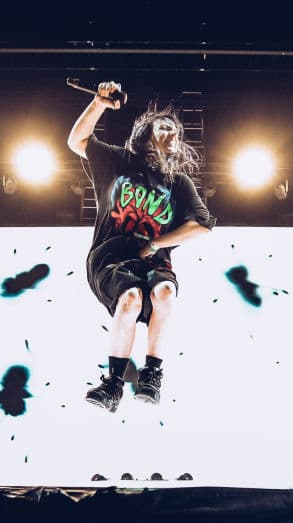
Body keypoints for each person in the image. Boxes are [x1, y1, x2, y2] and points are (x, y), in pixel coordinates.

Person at [67, 81, 214, 412]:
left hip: (152, 260)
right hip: (110, 257)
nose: (172, 133)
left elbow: (202, 225)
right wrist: (98, 104)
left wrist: (157, 243)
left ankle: (151, 374)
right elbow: (77, 140)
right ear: (146, 135)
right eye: (163, 127)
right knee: (131, 298)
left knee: (164, 292)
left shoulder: (178, 183)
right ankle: (114, 383)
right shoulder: (119, 162)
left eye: (175, 131)